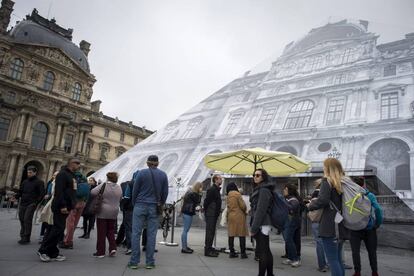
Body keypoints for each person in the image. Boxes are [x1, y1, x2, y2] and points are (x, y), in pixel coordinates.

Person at [308, 158, 349, 276]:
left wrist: (310, 205)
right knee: (338, 259)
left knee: (333, 260)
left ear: (328, 168)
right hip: (342, 223)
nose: (323, 168)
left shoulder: (327, 181)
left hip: (330, 225)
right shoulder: (345, 182)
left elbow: (323, 200)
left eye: (324, 166)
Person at [128, 155, 168, 270]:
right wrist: (160, 203)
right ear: (158, 163)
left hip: (140, 204)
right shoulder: (163, 175)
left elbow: (135, 190)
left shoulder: (141, 173)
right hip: (154, 206)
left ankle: (134, 262)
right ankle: (150, 262)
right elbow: (165, 193)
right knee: (151, 234)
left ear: (147, 163)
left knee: (136, 233)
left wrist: (135, 203)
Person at [38, 158, 79, 262]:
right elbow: (59, 191)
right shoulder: (62, 174)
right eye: (77, 163)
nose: (79, 165)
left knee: (58, 230)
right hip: (61, 206)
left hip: (67, 206)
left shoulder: (72, 175)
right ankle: (43, 250)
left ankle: (53, 252)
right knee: (57, 229)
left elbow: (71, 191)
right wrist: (63, 205)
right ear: (71, 163)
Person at [349, 177, 383, 276]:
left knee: (355, 252)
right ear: (363, 185)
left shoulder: (350, 196)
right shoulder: (370, 195)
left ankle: (357, 272)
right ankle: (374, 272)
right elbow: (378, 210)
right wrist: (377, 224)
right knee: (372, 252)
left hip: (354, 228)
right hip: (369, 228)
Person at [91, 172, 122, 258]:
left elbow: (93, 192)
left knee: (101, 232)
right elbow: (120, 198)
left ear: (108, 178)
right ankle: (113, 248)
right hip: (114, 211)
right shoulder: (119, 187)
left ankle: (100, 252)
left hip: (103, 211)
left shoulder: (104, 185)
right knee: (111, 230)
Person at [250, 168, 275, 276]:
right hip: (263, 223)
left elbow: (261, 210)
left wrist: (254, 228)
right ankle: (270, 274)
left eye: (258, 175)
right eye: (254, 175)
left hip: (263, 223)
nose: (255, 177)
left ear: (263, 177)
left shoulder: (264, 190)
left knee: (262, 252)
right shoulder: (260, 189)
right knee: (266, 250)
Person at [15, 166, 45, 245]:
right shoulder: (25, 182)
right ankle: (22, 235)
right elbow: (20, 191)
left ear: (35, 173)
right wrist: (16, 196)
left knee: (27, 219)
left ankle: (26, 237)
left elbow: (42, 194)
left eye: (30, 172)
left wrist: (36, 202)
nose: (29, 174)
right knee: (22, 219)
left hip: (31, 204)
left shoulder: (39, 182)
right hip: (23, 203)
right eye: (28, 172)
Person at [61, 172, 90, 249]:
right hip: (82, 203)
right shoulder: (84, 180)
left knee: (70, 222)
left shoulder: (73, 179)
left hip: (74, 203)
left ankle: (68, 241)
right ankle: (69, 239)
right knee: (75, 222)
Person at [308, 179, 329, 272]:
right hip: (327, 220)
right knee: (327, 242)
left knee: (319, 243)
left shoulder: (316, 193)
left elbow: (311, 206)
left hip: (317, 220)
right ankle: (328, 263)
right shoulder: (327, 193)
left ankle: (322, 265)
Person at [226, 182, 248, 259]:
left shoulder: (228, 195)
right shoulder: (237, 194)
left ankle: (231, 252)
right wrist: (245, 210)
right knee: (241, 234)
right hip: (239, 216)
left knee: (231, 234)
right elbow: (243, 206)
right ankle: (243, 253)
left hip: (231, 215)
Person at [281, 183, 301, 267]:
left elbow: (292, 208)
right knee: (292, 239)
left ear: (289, 190)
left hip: (291, 222)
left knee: (289, 240)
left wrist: (283, 203)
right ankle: (290, 257)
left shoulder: (293, 199)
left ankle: (295, 259)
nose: (283, 191)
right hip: (293, 222)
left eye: (285, 189)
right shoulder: (289, 198)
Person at [203, 174, 223, 257]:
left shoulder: (216, 189)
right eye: (220, 179)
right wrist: (207, 210)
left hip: (213, 213)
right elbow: (206, 201)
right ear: (215, 180)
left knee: (211, 232)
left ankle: (209, 248)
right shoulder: (212, 189)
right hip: (211, 213)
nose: (221, 180)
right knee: (210, 232)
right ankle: (207, 251)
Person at [180, 182, 203, 254]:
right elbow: (198, 202)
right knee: (185, 230)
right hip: (188, 213)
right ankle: (184, 248)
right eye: (201, 187)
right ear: (198, 187)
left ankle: (185, 246)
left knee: (185, 230)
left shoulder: (189, 192)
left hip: (185, 212)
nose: (202, 189)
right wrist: (200, 194)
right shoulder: (195, 194)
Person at [39, 171, 59, 243]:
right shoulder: (50, 183)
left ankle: (47, 236)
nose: (54, 177)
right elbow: (48, 192)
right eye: (54, 175)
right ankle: (42, 235)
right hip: (47, 203)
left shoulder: (58, 184)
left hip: (53, 204)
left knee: (50, 221)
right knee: (45, 220)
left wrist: (49, 195)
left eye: (56, 175)